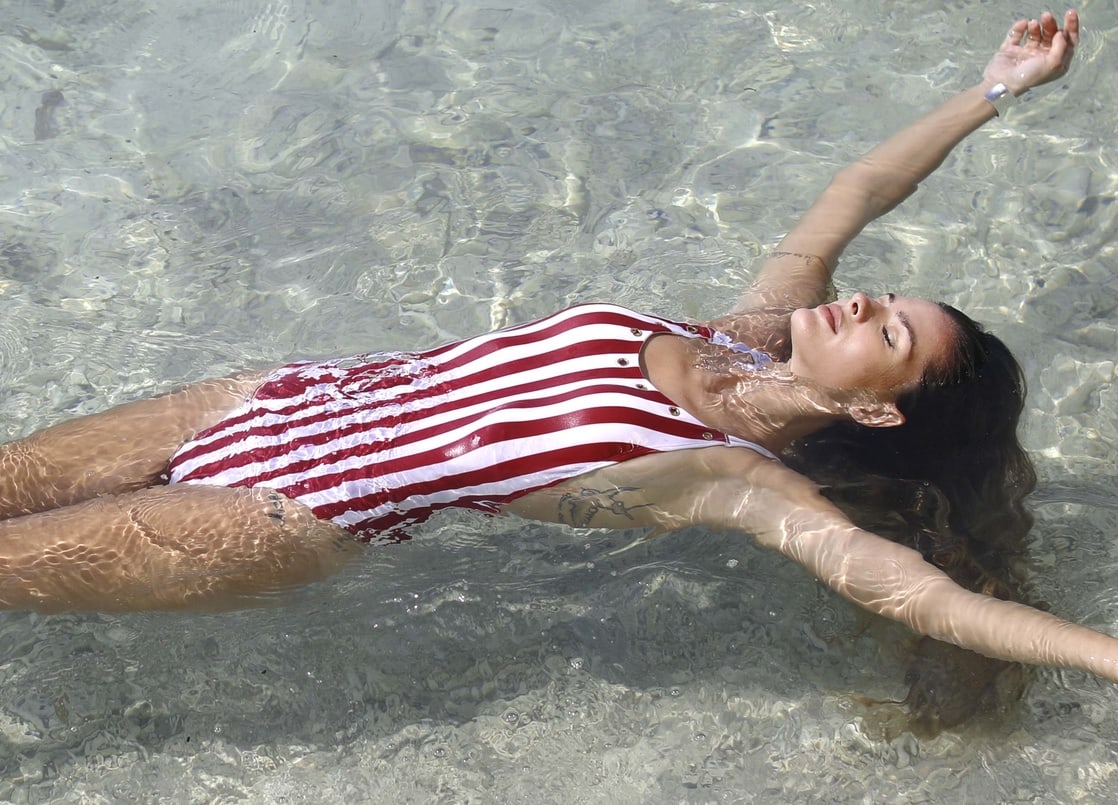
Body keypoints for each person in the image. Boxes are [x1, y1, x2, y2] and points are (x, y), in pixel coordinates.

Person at [3, 11, 1114, 691]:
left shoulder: (733, 480)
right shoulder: (744, 331)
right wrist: (995, 89)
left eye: (888, 332)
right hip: (262, 400)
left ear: (875, 410)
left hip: (283, 512)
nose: (862, 301)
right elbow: (856, 191)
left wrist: (1104, 655)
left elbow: (922, 599)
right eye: (884, 299)